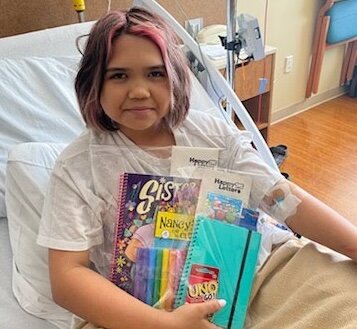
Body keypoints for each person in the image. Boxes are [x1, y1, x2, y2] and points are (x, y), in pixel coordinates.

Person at [37, 6, 357, 329]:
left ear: (174, 77)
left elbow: (282, 199)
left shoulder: (211, 134)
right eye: (118, 75)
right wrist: (165, 325)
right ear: (94, 84)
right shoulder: (78, 167)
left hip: (257, 276)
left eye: (155, 73)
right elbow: (67, 278)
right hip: (140, 310)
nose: (138, 90)